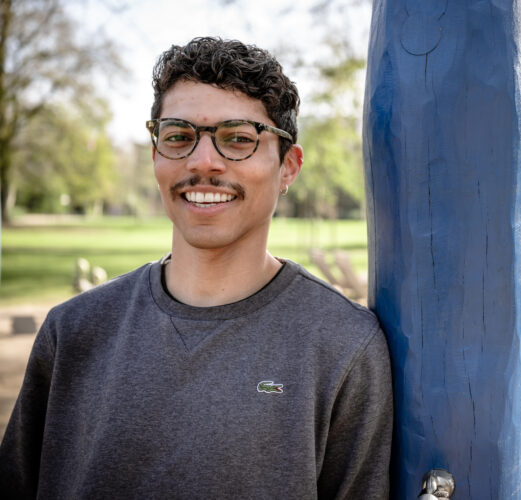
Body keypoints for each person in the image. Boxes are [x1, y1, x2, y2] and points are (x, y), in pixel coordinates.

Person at [0, 37, 393, 499]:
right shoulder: (72, 332)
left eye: (239, 138)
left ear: (288, 166)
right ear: (155, 156)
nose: (203, 161)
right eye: (178, 137)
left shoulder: (345, 347)